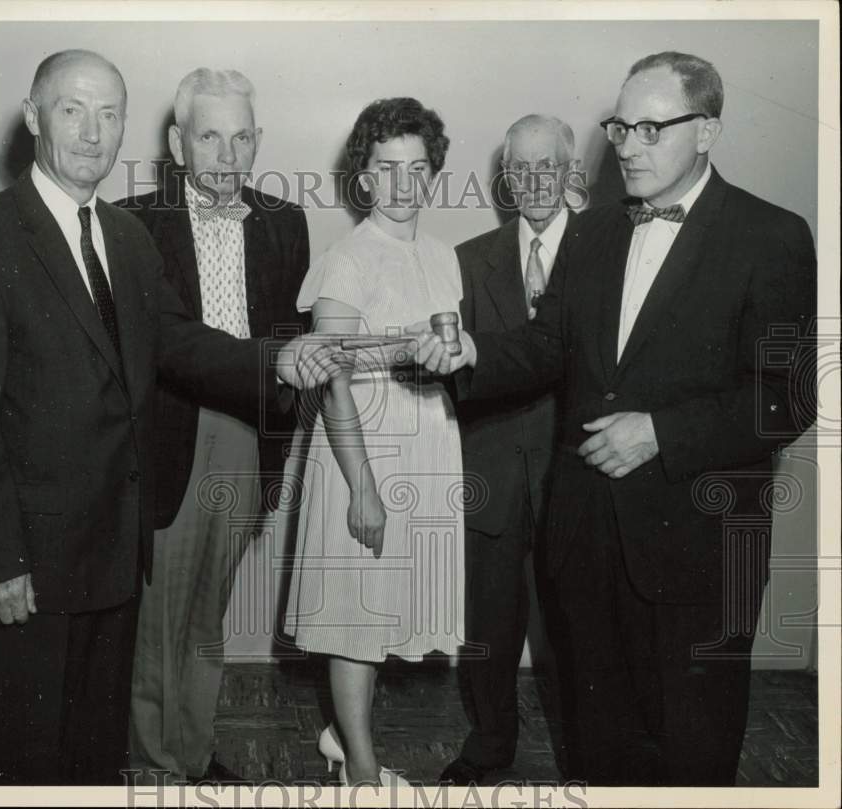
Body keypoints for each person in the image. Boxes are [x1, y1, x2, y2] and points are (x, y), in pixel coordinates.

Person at [0, 49, 337, 786]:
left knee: (90, 755)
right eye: (72, 110)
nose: (92, 132)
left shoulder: (125, 237)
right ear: (32, 118)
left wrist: (274, 361)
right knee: (18, 760)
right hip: (26, 568)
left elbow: (178, 339)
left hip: (112, 553)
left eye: (109, 114)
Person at [413, 52, 816, 786]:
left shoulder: (772, 236)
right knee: (601, 751)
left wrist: (661, 430)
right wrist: (472, 350)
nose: (627, 144)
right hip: (589, 543)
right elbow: (545, 346)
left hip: (699, 551)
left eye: (650, 128)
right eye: (620, 126)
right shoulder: (593, 233)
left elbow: (785, 397)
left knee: (692, 756)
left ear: (708, 131)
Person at [115, 67, 310, 785]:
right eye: (210, 136)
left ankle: (190, 754)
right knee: (157, 617)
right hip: (171, 434)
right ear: (177, 142)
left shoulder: (286, 222)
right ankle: (151, 763)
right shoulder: (131, 223)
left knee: (208, 609)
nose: (228, 155)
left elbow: (286, 325)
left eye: (242, 137)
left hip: (246, 434)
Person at [283, 97, 464, 786]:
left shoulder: (445, 257)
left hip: (426, 440)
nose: (402, 184)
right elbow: (332, 382)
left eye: (417, 168)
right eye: (386, 168)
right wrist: (362, 484)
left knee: (386, 603)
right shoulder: (346, 259)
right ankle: (360, 768)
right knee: (357, 613)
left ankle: (341, 734)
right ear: (363, 176)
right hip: (363, 447)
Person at [440, 114, 579, 786]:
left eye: (547, 166)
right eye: (519, 169)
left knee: (578, 629)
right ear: (504, 180)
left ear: (571, 169)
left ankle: (588, 752)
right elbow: (456, 375)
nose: (534, 181)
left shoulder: (608, 251)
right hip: (491, 471)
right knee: (488, 626)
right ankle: (491, 742)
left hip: (573, 474)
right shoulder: (468, 259)